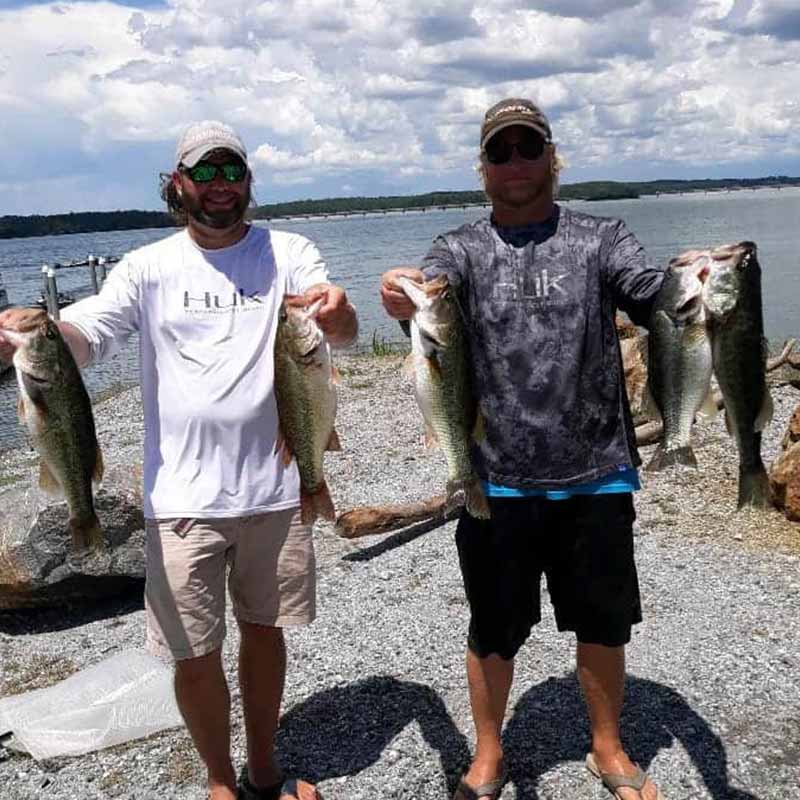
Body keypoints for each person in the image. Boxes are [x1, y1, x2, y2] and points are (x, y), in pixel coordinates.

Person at [0, 120, 357, 800]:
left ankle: (265, 767)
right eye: (206, 173)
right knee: (193, 652)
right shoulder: (147, 266)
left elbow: (335, 320)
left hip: (277, 486)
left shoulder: (289, 251)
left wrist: (338, 314)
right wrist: (36, 337)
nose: (220, 187)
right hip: (181, 500)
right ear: (178, 183)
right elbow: (90, 332)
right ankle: (221, 781)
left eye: (232, 172)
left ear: (248, 183)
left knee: (264, 632)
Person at [380, 98, 665, 800]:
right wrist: (398, 293)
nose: (515, 163)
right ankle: (488, 752)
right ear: (483, 168)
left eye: (528, 148)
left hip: (595, 471)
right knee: (494, 626)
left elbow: (645, 289)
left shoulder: (604, 236)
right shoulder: (463, 248)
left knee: (602, 622)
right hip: (494, 478)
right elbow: (426, 291)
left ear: (551, 157)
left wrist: (686, 285)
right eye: (500, 152)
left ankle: (606, 745)